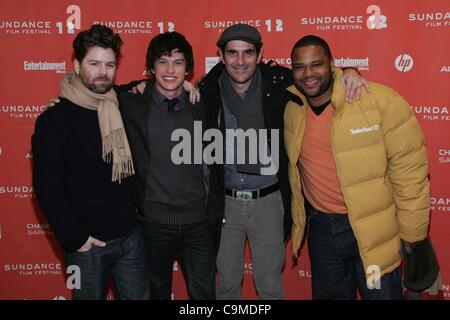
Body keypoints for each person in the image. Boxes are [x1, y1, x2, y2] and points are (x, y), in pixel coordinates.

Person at [198, 24, 369, 300]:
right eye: (232, 53)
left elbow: (315, 77)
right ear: (221, 55)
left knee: (269, 285)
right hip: (225, 202)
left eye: (248, 53)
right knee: (227, 284)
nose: (240, 61)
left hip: (268, 201)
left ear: (259, 54)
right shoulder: (207, 89)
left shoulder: (280, 83)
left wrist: (350, 73)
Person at [284, 35, 430, 299]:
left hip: (371, 233)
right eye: (299, 67)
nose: (308, 74)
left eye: (316, 64)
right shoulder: (290, 106)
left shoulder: (379, 101)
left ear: (332, 65)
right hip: (323, 233)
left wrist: (413, 235)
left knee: (379, 294)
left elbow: (410, 174)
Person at [32, 25, 150, 300]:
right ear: (77, 65)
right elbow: (47, 187)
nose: (102, 72)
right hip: (87, 246)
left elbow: (160, 84)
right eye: (94, 63)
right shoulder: (54, 120)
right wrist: (76, 240)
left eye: (109, 64)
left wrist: (188, 84)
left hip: (131, 238)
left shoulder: (118, 103)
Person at [118, 31, 216, 300]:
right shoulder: (132, 102)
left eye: (178, 62)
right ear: (151, 67)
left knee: (204, 295)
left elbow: (236, 75)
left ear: (189, 69)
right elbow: (96, 89)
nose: (170, 70)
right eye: (163, 61)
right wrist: (62, 97)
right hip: (152, 224)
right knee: (156, 292)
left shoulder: (202, 105)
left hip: (198, 222)